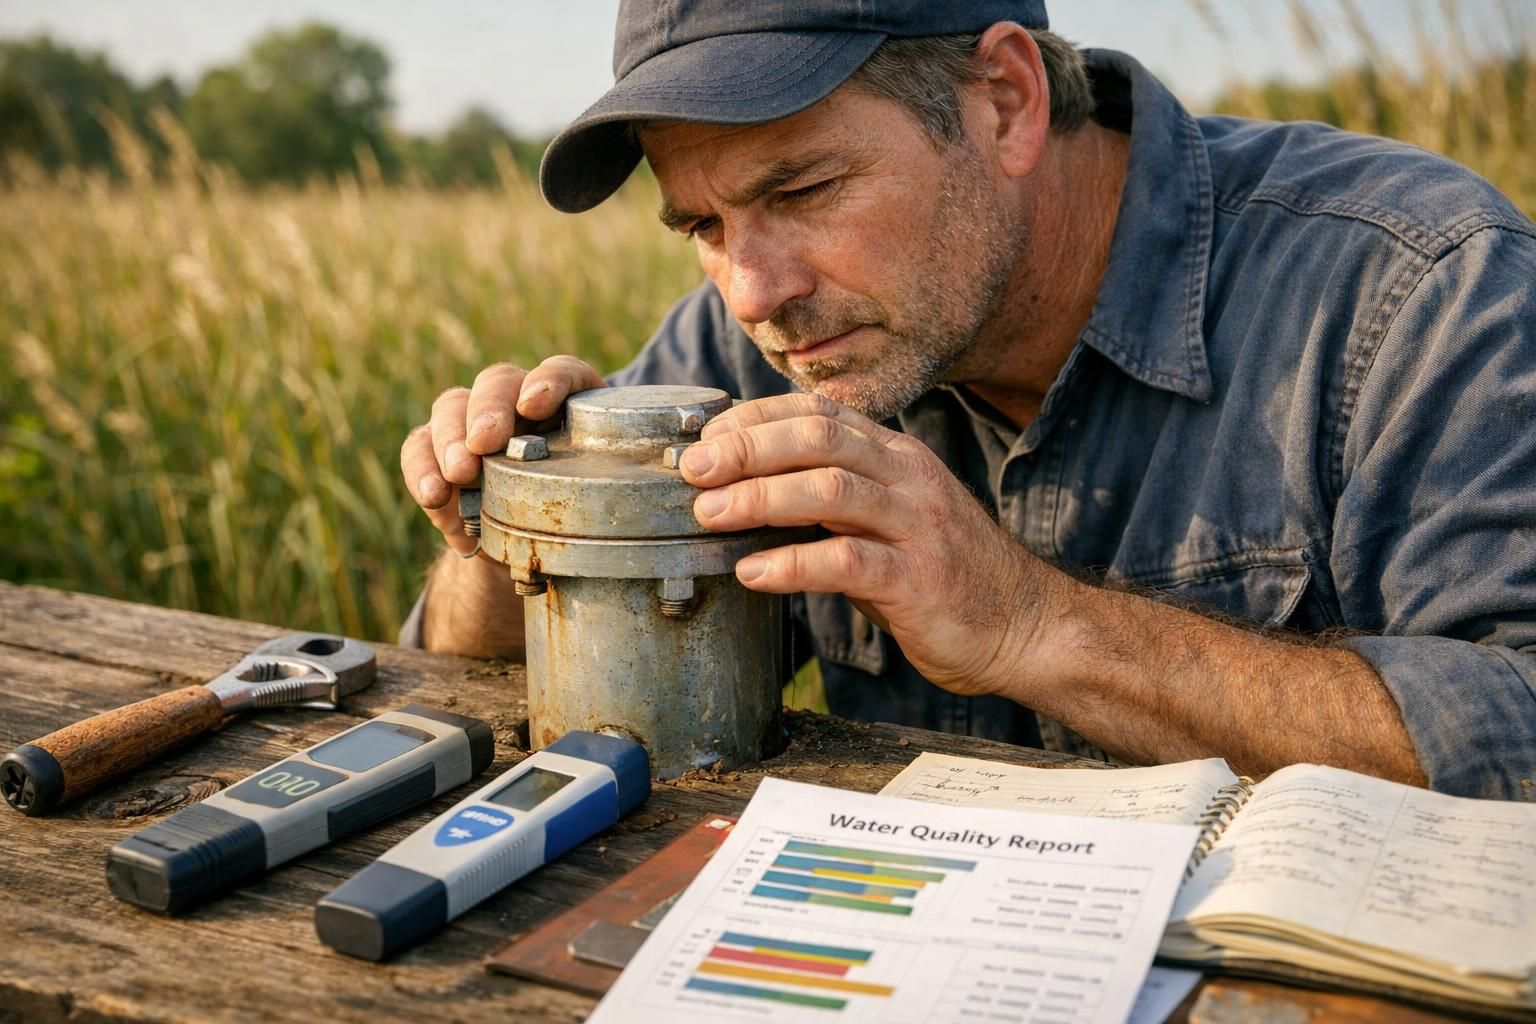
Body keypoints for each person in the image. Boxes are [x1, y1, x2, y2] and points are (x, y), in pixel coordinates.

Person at [398, 1, 1536, 799]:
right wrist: (512, 531)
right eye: (703, 225)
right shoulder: (767, 340)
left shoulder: (1419, 289)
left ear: (1004, 100)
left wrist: (1031, 624)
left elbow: (1518, 726)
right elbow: (467, 681)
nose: (754, 290)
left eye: (804, 187)